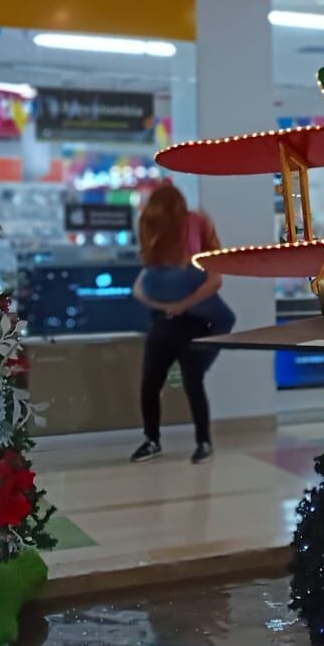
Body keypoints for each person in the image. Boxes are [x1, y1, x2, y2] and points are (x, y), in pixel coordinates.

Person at [131, 182, 236, 464]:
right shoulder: (162, 259)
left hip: (191, 324)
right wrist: (171, 306)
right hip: (170, 324)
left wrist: (178, 305)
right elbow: (140, 289)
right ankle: (156, 439)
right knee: (153, 383)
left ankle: (200, 441)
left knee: (188, 382)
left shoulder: (191, 243)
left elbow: (214, 281)